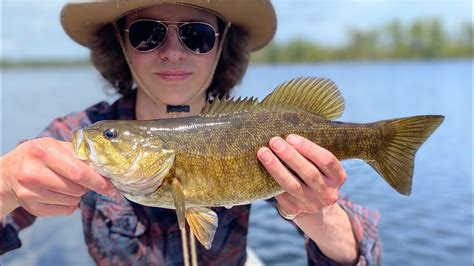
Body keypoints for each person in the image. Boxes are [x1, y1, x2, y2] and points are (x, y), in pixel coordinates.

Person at [0, 1, 381, 265]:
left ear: (222, 44)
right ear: (120, 42)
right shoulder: (79, 134)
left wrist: (317, 210)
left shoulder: (254, 128)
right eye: (147, 34)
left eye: (196, 35)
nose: (172, 52)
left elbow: (364, 253)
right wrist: (5, 184)